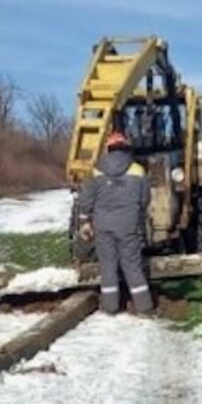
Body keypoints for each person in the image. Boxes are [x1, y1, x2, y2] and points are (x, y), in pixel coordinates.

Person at [77, 130, 153, 315]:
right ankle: (144, 306)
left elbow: (86, 199)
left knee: (108, 265)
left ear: (108, 149)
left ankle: (111, 307)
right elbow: (145, 199)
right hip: (128, 225)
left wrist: (85, 221)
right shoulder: (138, 170)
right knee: (132, 265)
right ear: (126, 148)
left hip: (103, 226)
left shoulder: (96, 171)